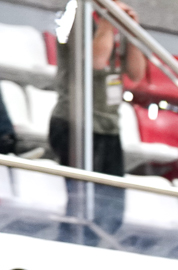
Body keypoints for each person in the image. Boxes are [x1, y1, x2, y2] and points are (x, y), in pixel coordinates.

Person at [49, 0, 146, 241]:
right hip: (76, 123)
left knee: (112, 210)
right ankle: (70, 255)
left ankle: (91, 255)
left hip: (108, 127)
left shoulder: (112, 25)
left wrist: (132, 31)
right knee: (82, 206)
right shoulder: (76, 13)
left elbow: (136, 73)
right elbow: (95, 63)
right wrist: (107, 23)